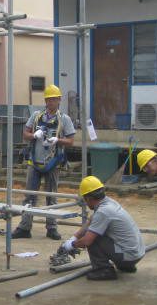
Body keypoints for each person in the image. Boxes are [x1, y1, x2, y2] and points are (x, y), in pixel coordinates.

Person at [11, 84, 75, 240]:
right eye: (48, 99)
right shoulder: (36, 116)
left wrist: (57, 140)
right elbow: (25, 133)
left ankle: (51, 228)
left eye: (53, 99)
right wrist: (34, 135)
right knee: (29, 196)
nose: (50, 102)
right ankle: (25, 227)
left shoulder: (64, 119)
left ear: (59, 100)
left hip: (53, 163)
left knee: (51, 196)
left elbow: (71, 140)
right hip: (35, 161)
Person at [61, 176, 145, 281]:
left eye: (85, 199)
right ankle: (126, 266)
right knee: (96, 230)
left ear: (89, 198)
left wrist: (72, 245)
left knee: (94, 238)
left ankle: (104, 270)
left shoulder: (103, 212)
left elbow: (87, 241)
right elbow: (90, 222)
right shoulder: (108, 202)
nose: (86, 203)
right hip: (137, 253)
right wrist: (74, 237)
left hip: (129, 256)